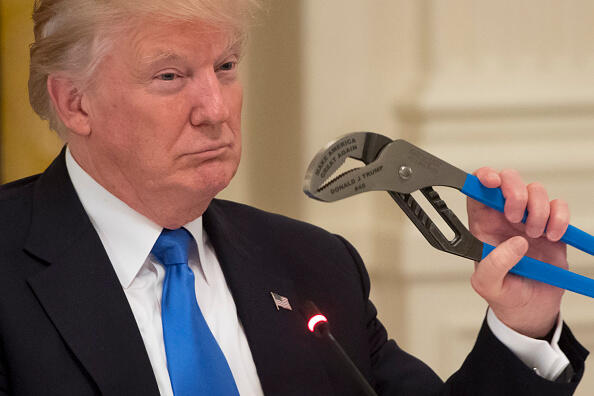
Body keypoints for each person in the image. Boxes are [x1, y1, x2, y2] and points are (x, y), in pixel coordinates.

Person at [0, 0, 587, 395]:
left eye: (226, 67)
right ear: (75, 103)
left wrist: (524, 324)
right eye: (170, 77)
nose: (216, 109)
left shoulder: (314, 262)